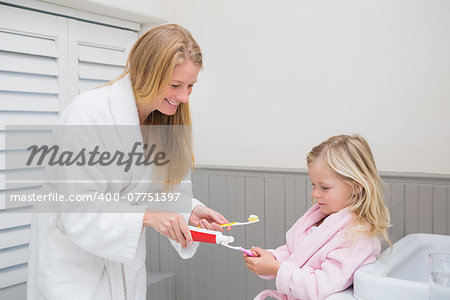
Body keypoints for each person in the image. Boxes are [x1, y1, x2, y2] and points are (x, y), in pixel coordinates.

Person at [27, 24, 230, 300]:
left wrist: (188, 212)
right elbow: (79, 208)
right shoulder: (87, 116)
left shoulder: (163, 120)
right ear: (147, 74)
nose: (184, 97)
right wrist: (147, 217)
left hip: (122, 268)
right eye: (175, 85)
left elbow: (162, 190)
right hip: (74, 267)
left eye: (190, 86)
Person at [244, 134, 392, 300]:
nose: (315, 194)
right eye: (313, 184)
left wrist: (277, 269)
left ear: (356, 186)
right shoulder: (318, 217)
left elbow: (320, 286)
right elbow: (294, 252)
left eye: (325, 187)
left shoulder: (358, 237)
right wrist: (272, 258)